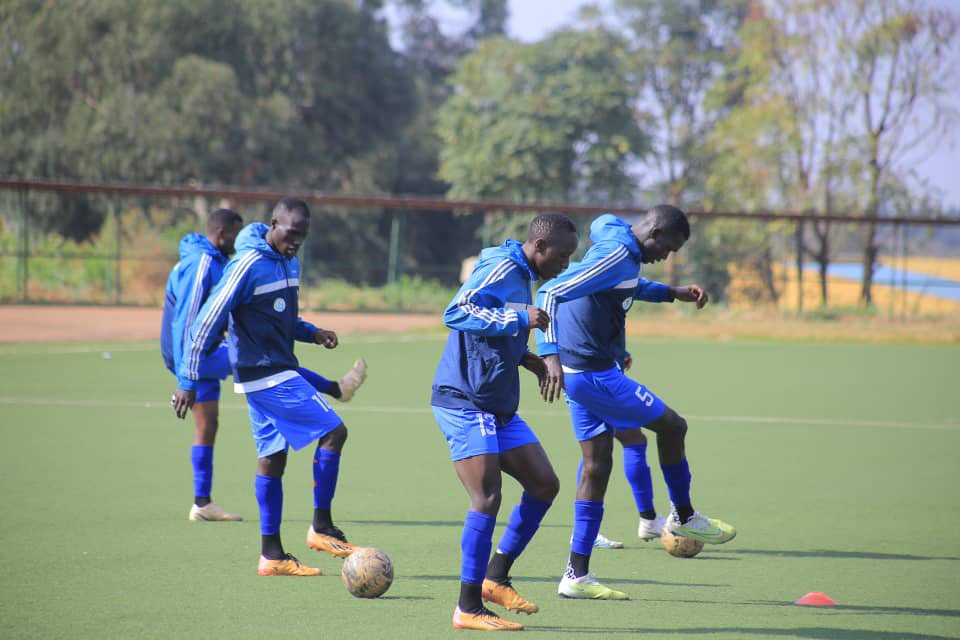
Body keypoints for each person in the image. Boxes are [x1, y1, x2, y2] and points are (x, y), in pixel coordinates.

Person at [535, 205, 736, 600]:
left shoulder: (616, 238)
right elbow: (550, 291)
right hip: (593, 374)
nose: (668, 257)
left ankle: (575, 575)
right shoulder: (617, 254)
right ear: (655, 231)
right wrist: (548, 354)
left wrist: (670, 293)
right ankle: (683, 515)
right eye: (669, 247)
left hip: (583, 371)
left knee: (596, 467)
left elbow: (623, 281)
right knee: (673, 426)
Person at [172, 197, 360, 577]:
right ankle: (321, 527)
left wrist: (312, 332)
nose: (296, 244)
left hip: (273, 369)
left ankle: (271, 556)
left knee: (272, 458)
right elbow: (207, 318)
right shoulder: (247, 264)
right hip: (265, 373)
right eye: (291, 235)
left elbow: (281, 316)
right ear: (273, 223)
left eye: (302, 238)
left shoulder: (289, 261)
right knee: (334, 431)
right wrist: (187, 379)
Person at [432, 213, 579, 631]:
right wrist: (520, 320)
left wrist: (529, 361)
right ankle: (467, 607)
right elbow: (456, 312)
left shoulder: (526, 275)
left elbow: (492, 332)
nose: (566, 263)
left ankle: (495, 578)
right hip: (463, 400)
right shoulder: (501, 267)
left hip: (496, 405)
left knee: (543, 484)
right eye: (563, 255)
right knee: (487, 497)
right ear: (540, 248)